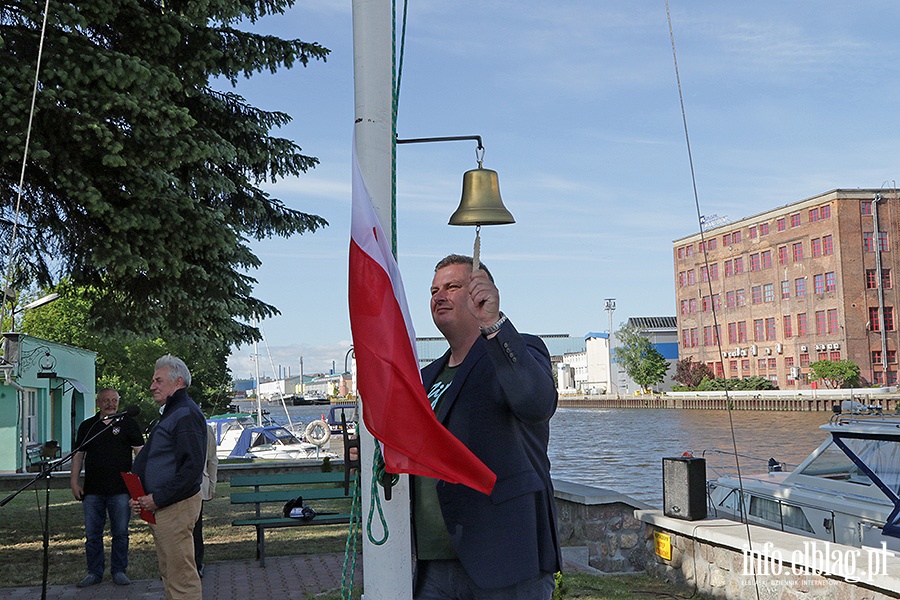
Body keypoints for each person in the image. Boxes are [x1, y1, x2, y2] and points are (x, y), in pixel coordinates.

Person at [413, 254, 562, 600]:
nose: (439, 296)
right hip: (431, 563)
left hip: (504, 558)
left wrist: (494, 325)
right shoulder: (425, 377)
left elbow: (537, 404)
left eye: (452, 287)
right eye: (434, 290)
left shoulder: (519, 348)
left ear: (481, 291)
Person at [130, 354, 207, 600]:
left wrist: (158, 498)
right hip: (162, 506)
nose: (152, 386)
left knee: (181, 578)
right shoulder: (173, 412)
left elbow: (191, 468)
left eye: (158, 380)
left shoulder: (185, 413)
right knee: (170, 573)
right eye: (153, 381)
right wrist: (141, 497)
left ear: (178, 382)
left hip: (175, 507)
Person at [70, 388, 144, 587]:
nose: (111, 404)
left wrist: (140, 482)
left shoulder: (128, 424)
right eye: (106, 400)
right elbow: (78, 455)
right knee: (92, 535)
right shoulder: (88, 426)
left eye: (114, 400)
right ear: (98, 403)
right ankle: (94, 573)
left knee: (120, 533)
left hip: (121, 491)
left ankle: (119, 571)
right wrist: (74, 482)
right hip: (92, 490)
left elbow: (141, 453)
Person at [193, 423, 218, 577]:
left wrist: (212, 485)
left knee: (196, 527)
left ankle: (196, 564)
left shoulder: (204, 429)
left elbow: (212, 459)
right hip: (172, 487)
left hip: (197, 487)